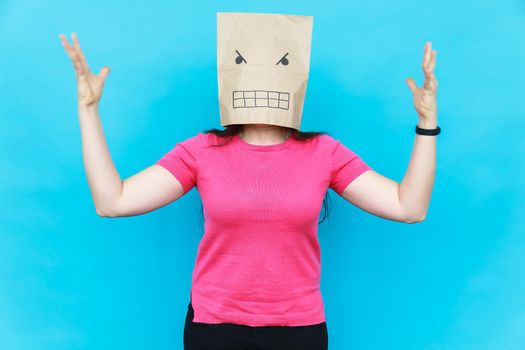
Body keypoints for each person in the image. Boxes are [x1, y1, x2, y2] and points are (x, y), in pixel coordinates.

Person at [58, 24, 438, 350]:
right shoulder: (201, 150)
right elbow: (113, 201)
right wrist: (88, 112)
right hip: (213, 329)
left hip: (299, 331)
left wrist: (426, 124)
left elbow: (408, 207)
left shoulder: (325, 152)